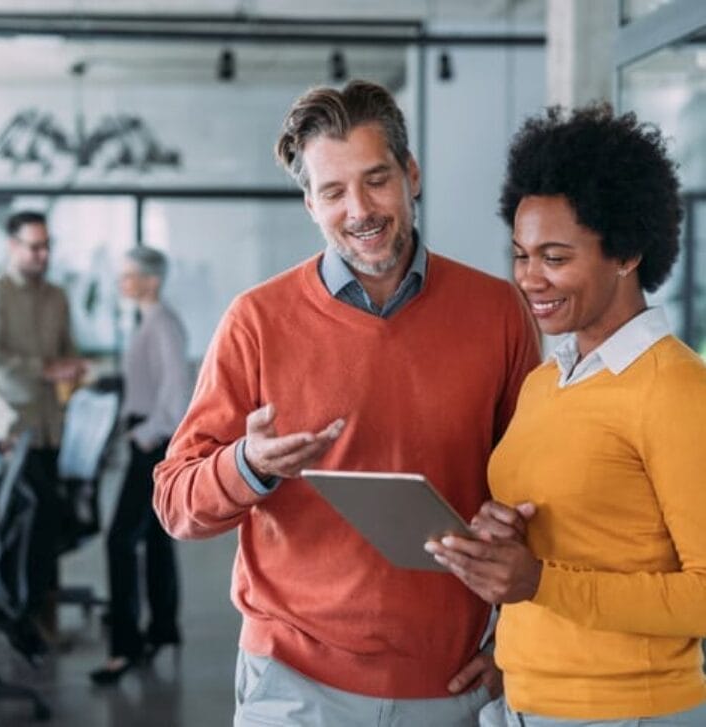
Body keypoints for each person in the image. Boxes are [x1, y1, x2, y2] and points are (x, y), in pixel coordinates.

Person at [153, 80, 540, 727]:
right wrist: (248, 463)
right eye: (332, 191)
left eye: (376, 179)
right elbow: (176, 503)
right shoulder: (255, 320)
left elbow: (540, 497)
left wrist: (514, 642)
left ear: (410, 174)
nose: (358, 208)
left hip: (449, 683)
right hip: (293, 678)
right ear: (310, 203)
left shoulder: (498, 311)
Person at [426, 103, 706, 726]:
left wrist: (541, 582)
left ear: (627, 252)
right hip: (522, 703)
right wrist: (505, 538)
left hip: (625, 711)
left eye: (555, 257)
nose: (530, 278)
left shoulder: (676, 389)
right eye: (522, 255)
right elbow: (575, 535)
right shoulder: (545, 381)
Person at [0, 210, 86, 650]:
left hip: (52, 428)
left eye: (47, 246)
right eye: (34, 246)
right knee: (25, 520)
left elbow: (69, 351)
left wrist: (72, 367)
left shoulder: (57, 296)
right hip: (12, 429)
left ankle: (33, 612)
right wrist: (46, 370)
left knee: (48, 524)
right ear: (13, 246)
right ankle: (16, 615)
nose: (42, 254)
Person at [90, 246, 191, 685]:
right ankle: (163, 628)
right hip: (148, 438)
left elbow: (177, 395)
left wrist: (145, 433)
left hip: (152, 443)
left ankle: (125, 647)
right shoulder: (151, 321)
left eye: (129, 275)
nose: (122, 282)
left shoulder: (163, 325)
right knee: (153, 537)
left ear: (151, 280)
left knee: (119, 540)